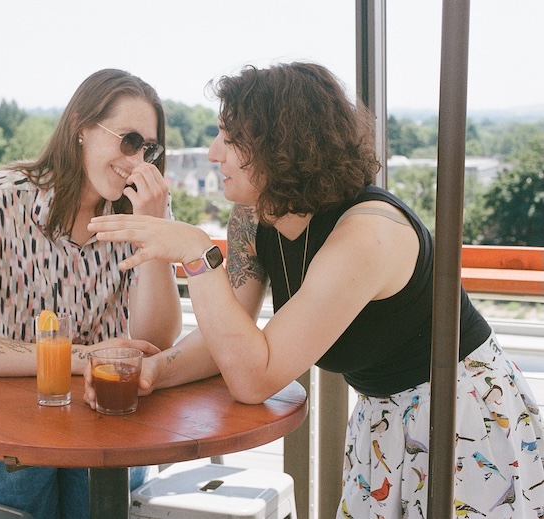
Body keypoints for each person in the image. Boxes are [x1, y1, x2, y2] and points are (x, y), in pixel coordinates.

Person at [85, 62, 544, 518]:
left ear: (280, 146)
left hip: (462, 418)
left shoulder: (368, 233)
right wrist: (152, 373)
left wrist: (198, 254)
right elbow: (228, 340)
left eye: (229, 137)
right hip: (382, 419)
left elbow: (253, 378)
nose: (211, 153)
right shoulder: (253, 216)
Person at [0, 68, 182, 519]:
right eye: (129, 141)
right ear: (80, 128)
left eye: (150, 149)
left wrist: (155, 232)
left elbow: (156, 342)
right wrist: (85, 357)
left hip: (108, 423)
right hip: (8, 428)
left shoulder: (146, 209)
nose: (139, 161)